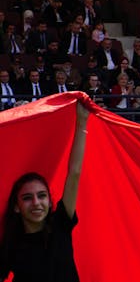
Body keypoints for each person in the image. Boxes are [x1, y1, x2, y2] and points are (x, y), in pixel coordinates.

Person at [0, 101, 89, 281]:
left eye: (41, 196)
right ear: (16, 207)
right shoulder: (11, 243)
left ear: (50, 201)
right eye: (27, 198)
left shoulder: (61, 224)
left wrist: (82, 122)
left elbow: (75, 173)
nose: (36, 203)